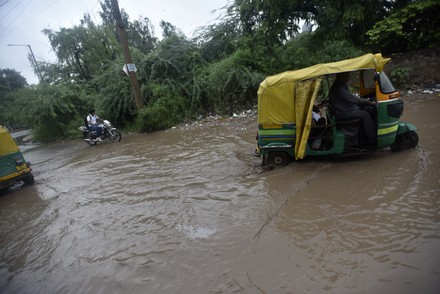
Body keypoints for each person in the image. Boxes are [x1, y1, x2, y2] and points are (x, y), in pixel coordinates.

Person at [329, 72, 376, 148]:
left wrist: (363, 102)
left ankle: (364, 136)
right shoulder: (338, 88)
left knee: (364, 109)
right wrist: (370, 103)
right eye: (346, 75)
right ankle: (372, 138)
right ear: (340, 76)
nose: (348, 77)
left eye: (347, 75)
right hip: (342, 113)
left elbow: (351, 98)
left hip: (344, 110)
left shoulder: (341, 85)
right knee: (365, 115)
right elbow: (352, 99)